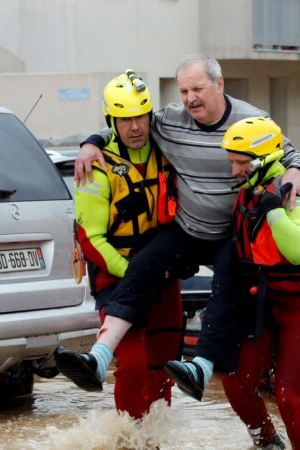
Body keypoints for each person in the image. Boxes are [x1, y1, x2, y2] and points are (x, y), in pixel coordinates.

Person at [56, 55, 300, 399]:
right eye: (183, 91)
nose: (190, 98)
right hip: (188, 229)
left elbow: (293, 155)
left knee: (225, 286)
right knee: (145, 264)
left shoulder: (253, 120)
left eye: (198, 88)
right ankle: (99, 357)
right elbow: (129, 124)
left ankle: (202, 366)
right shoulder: (169, 121)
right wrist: (91, 142)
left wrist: (297, 172)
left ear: (219, 84)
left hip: (229, 232)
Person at [54, 72, 182, 420]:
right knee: (134, 365)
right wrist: (135, 274)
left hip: (164, 272)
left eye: (141, 116)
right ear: (112, 120)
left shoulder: (167, 150)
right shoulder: (95, 166)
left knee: (164, 367)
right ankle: (129, 439)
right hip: (118, 274)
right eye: (125, 118)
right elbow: (91, 240)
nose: (135, 126)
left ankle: (155, 441)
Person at [214, 116, 300, 450]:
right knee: (236, 382)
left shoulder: (294, 194)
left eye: (240, 163)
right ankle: (268, 441)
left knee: (288, 395)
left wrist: (273, 210)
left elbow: (298, 250)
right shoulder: (249, 192)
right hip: (263, 301)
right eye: (232, 162)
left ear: (263, 159)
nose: (233, 171)